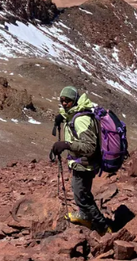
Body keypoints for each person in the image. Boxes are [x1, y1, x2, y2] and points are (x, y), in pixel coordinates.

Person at [51, 85, 112, 234]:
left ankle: (104, 228)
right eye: (62, 100)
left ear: (75, 100)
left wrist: (66, 144)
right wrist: (63, 117)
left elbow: (89, 147)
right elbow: (72, 116)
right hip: (82, 163)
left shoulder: (81, 120)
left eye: (68, 101)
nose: (65, 103)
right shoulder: (76, 113)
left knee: (82, 197)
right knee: (80, 192)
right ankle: (84, 216)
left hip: (85, 165)